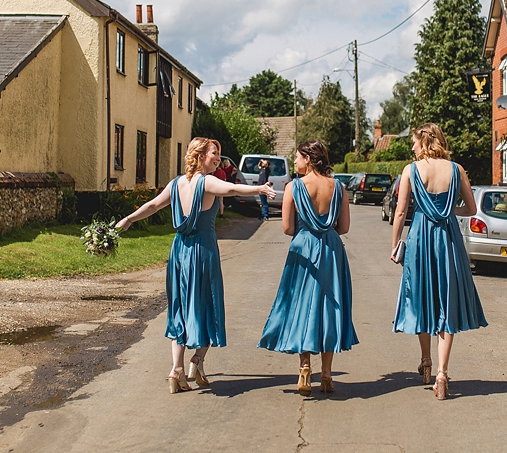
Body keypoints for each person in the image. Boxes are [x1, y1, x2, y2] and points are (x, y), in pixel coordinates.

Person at [116, 137, 276, 393]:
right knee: (208, 306)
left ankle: (176, 370)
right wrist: (259, 189)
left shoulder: (177, 183)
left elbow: (154, 205)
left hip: (179, 252)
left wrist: (128, 219)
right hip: (202, 252)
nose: (218, 159)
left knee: (179, 307)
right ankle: (198, 358)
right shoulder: (207, 181)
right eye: (214, 153)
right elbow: (232, 190)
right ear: (200, 156)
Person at [390, 123, 486, 400]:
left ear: (424, 141)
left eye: (414, 142)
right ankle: (442, 373)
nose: (411, 147)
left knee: (421, 297)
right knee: (447, 300)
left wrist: (395, 243)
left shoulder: (411, 170)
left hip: (420, 237)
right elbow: (471, 208)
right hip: (448, 239)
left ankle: (426, 359)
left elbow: (400, 212)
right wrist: (448, 210)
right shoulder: (457, 170)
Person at [259, 140, 357, 395]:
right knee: (329, 307)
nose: (295, 162)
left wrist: (306, 230)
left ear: (310, 159)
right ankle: (326, 373)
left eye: (298, 157)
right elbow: (344, 227)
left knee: (302, 306)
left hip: (303, 248)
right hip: (332, 250)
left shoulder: (294, 187)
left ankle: (305, 366)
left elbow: (287, 228)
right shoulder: (339, 188)